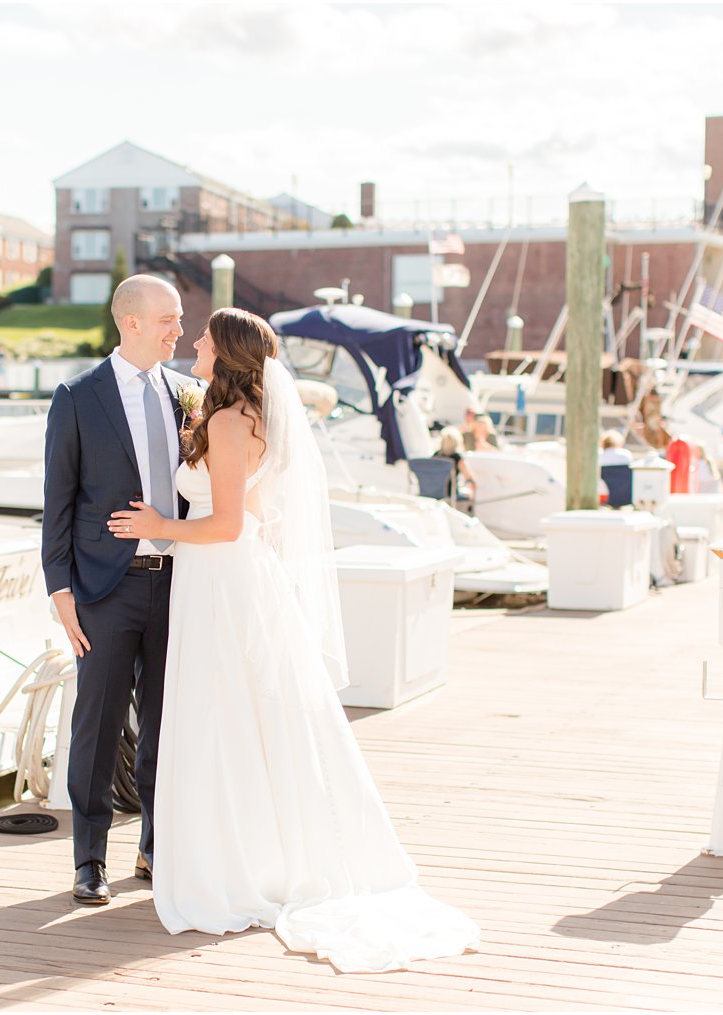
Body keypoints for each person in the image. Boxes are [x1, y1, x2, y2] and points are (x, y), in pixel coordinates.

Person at [108, 309, 480, 973]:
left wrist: (160, 522)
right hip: (228, 578)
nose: (194, 344)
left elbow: (224, 524)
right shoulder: (242, 413)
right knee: (246, 720)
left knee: (223, 718)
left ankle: (232, 864)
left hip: (222, 578)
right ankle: (245, 851)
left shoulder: (227, 421)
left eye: (204, 340)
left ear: (226, 356)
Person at [41, 275, 192, 905]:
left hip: (180, 587)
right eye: (167, 320)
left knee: (166, 725)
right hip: (103, 591)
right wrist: (61, 592)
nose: (178, 331)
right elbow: (57, 503)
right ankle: (90, 859)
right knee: (97, 726)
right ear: (130, 322)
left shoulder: (189, 396)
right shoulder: (78, 396)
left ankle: (153, 848)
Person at [433, 426, 476, 499]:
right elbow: (469, 477)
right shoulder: (457, 458)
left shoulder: (435, 456)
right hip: (450, 494)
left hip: (432, 492)